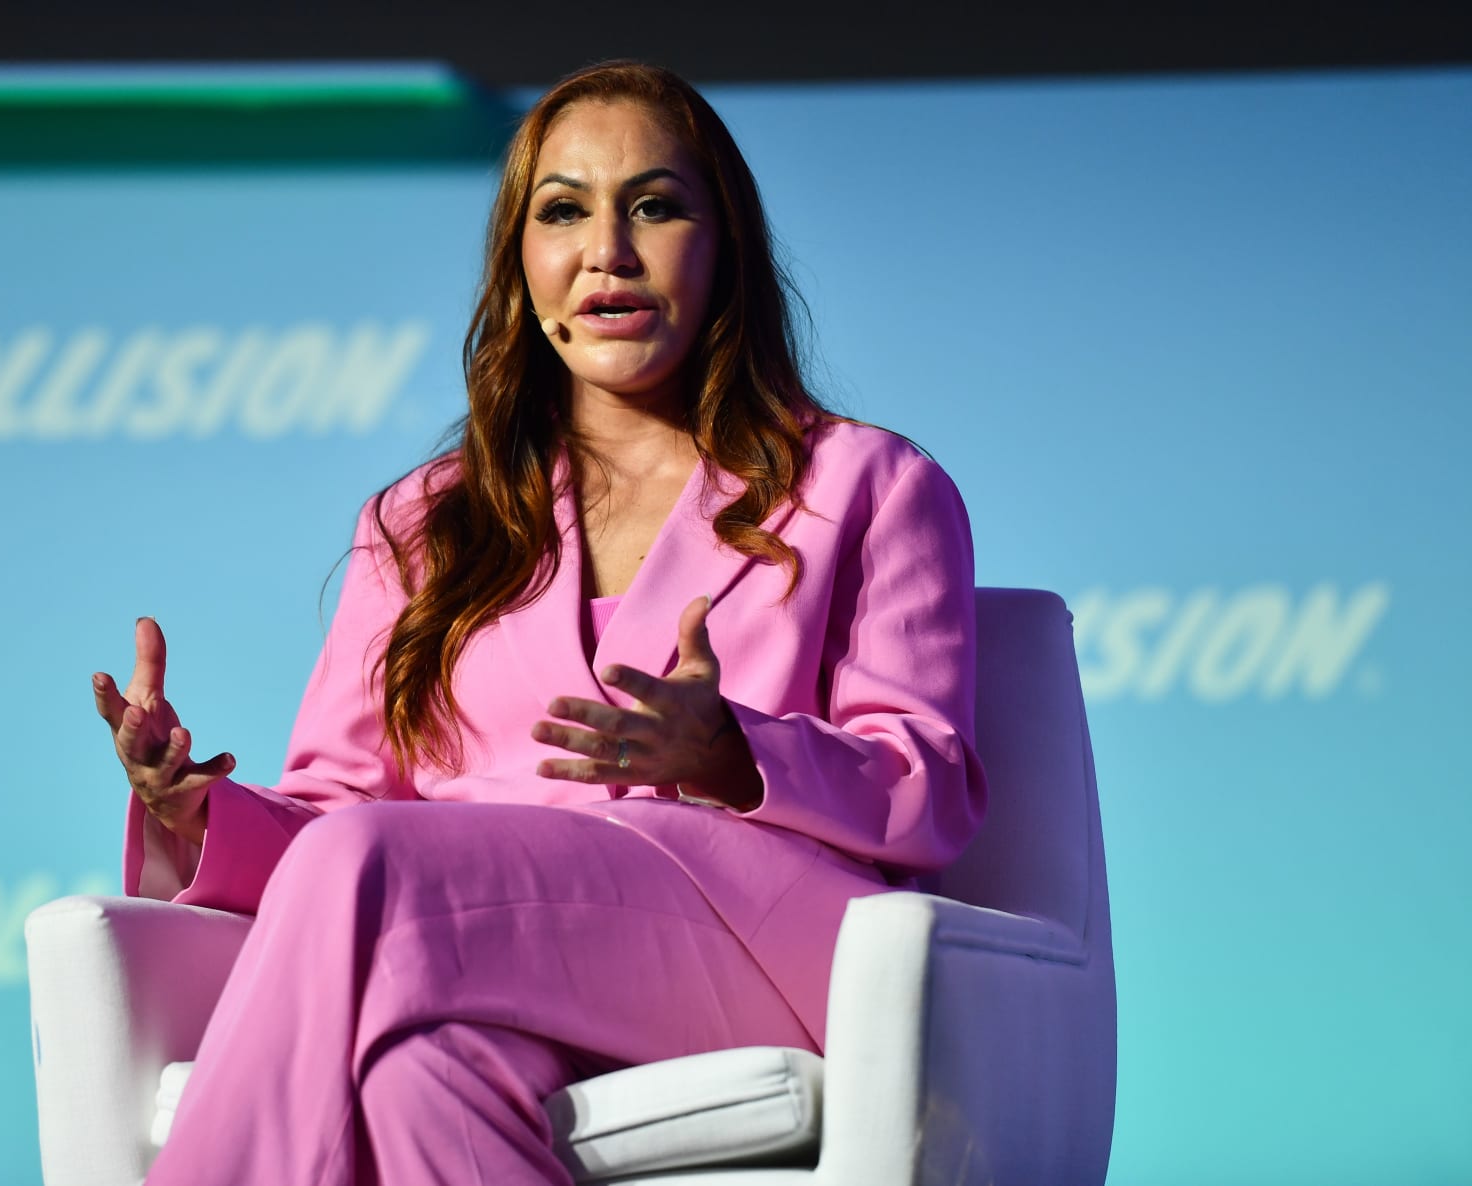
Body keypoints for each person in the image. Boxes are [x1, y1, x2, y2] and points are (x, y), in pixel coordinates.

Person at [91, 60, 986, 1186]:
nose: (608, 249)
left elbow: (931, 785)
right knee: (418, 1071)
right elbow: (333, 812)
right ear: (522, 259)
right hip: (475, 943)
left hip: (753, 943)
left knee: (366, 867)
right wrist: (195, 807)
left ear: (725, 247)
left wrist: (738, 753)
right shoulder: (421, 522)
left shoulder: (869, 482)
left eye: (655, 206)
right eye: (564, 210)